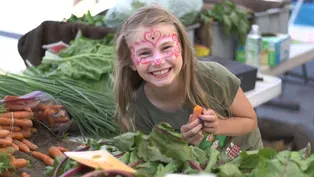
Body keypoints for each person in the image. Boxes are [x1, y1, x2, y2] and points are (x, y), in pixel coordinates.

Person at [114, 5, 263, 156]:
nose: (158, 61)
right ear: (131, 62)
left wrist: (218, 126)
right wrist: (182, 142)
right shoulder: (139, 110)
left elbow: (250, 120)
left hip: (249, 160)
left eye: (166, 47)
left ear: (183, 48)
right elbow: (155, 157)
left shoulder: (213, 76)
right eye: (145, 53)